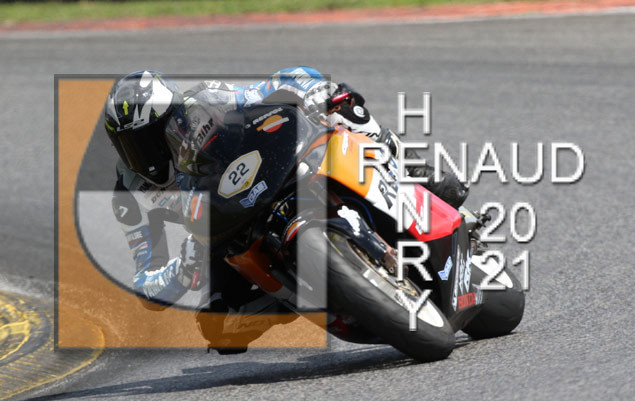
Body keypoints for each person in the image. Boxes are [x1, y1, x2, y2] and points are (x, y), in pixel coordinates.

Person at [104, 67, 468, 351]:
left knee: (340, 108)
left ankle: (413, 171)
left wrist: (313, 90)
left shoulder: (207, 100)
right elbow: (146, 283)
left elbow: (273, 85)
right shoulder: (129, 195)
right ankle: (324, 293)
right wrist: (182, 269)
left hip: (269, 171)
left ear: (177, 114)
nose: (146, 156)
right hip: (221, 229)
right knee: (220, 325)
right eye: (131, 145)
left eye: (151, 138)